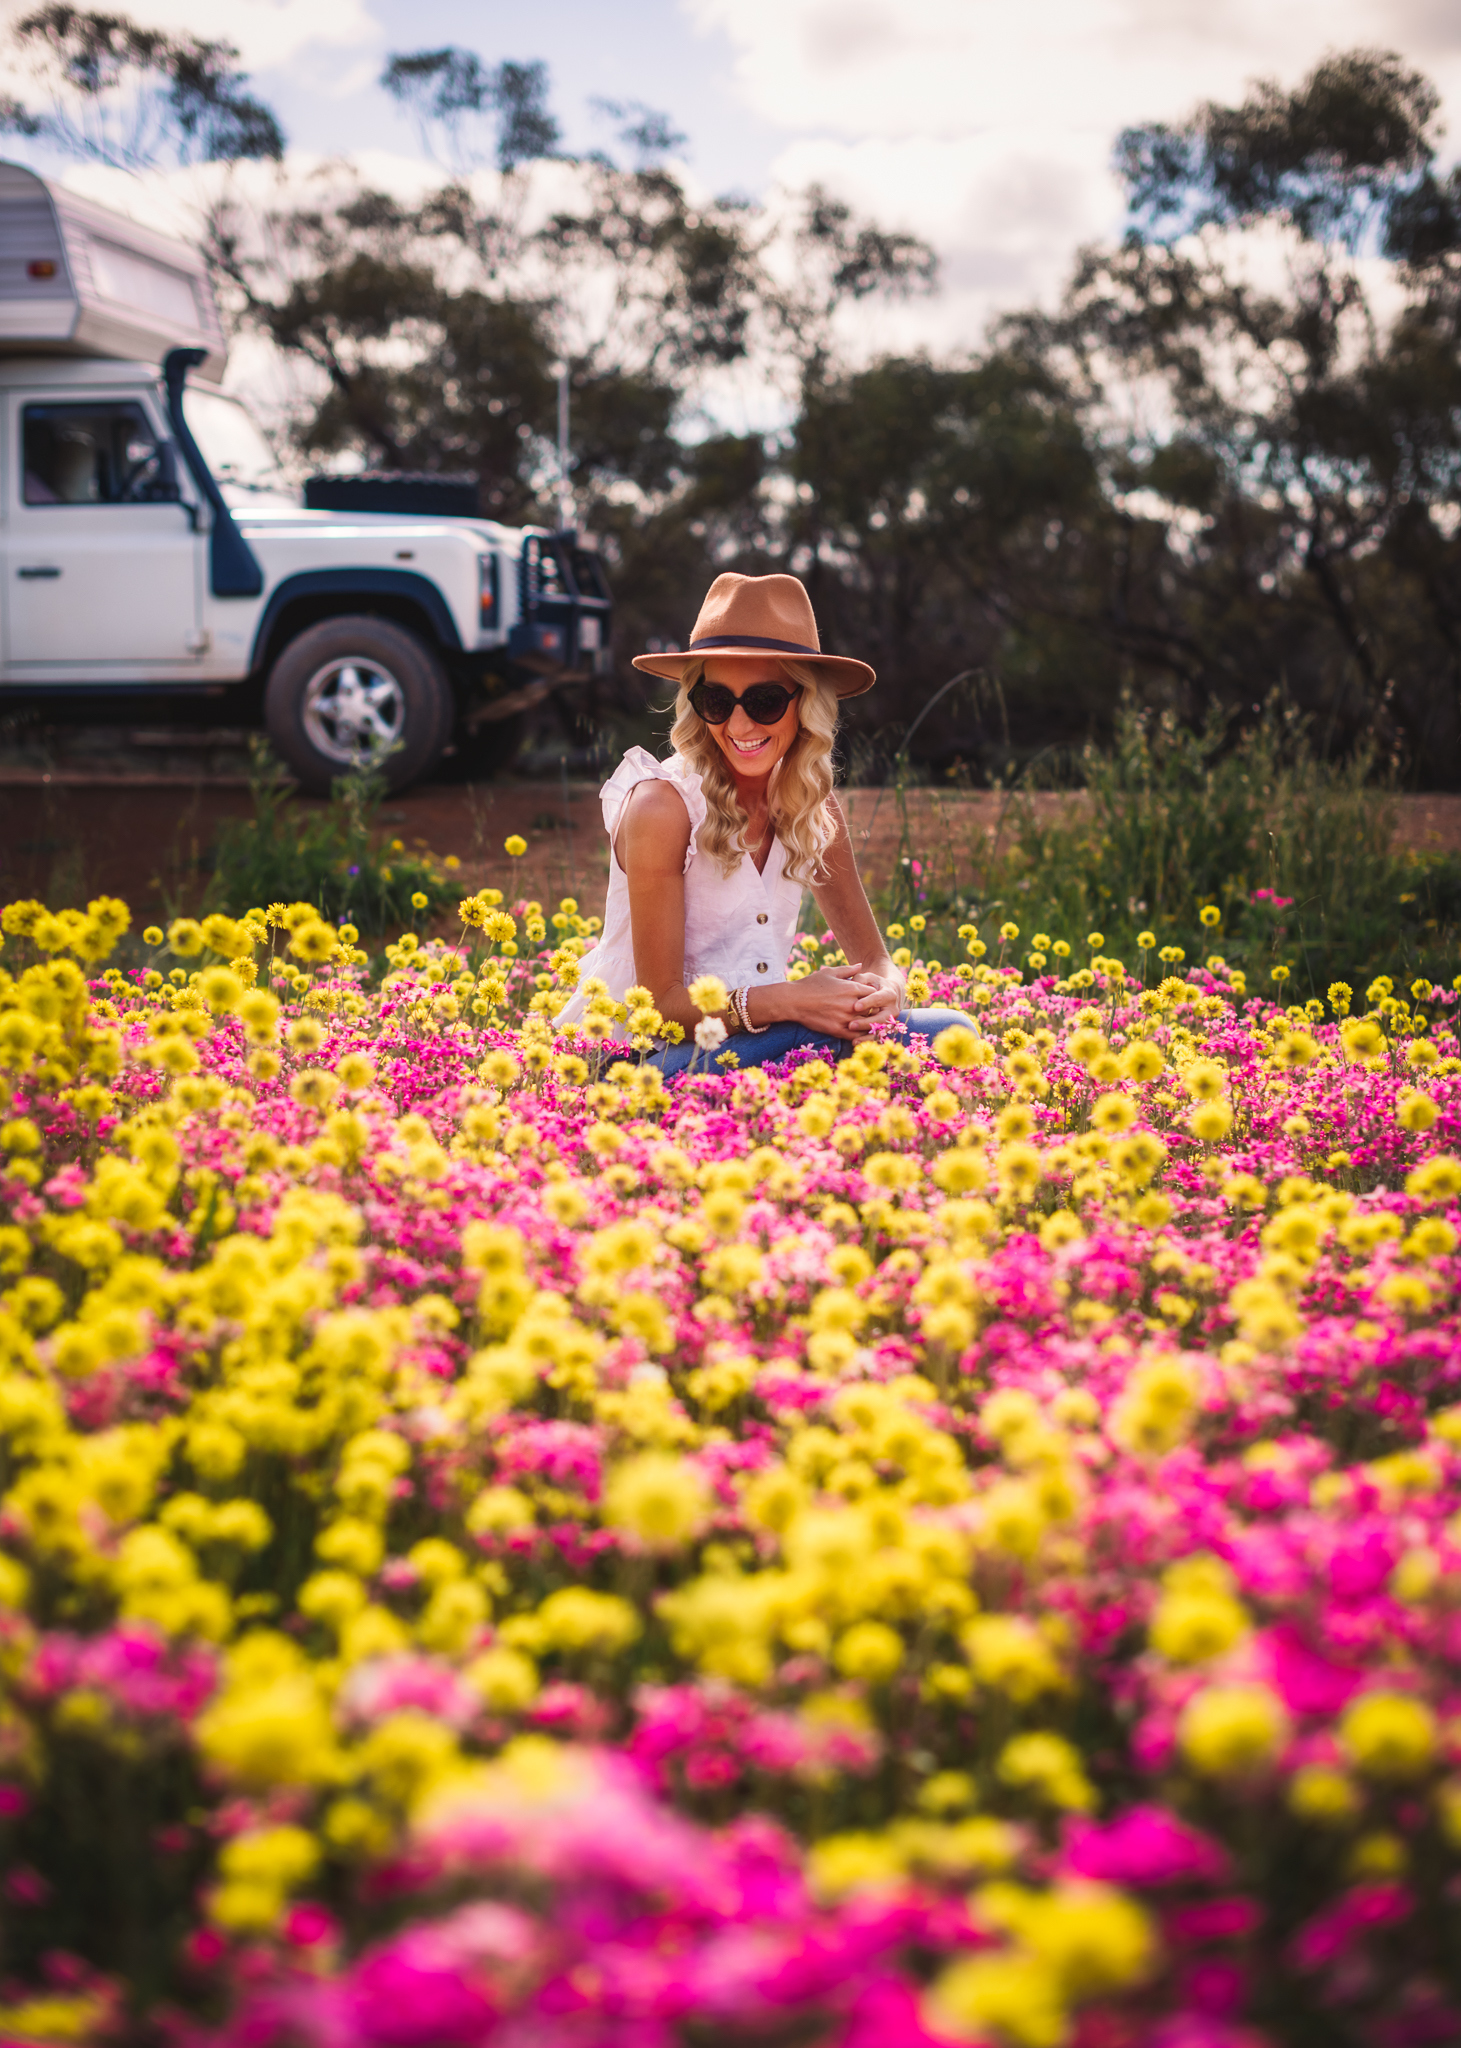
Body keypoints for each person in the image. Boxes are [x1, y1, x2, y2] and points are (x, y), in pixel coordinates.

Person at [556, 571, 970, 1075]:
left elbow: (876, 960)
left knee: (953, 1033)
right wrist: (794, 1003)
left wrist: (884, 994)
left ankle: (798, 1076)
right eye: (716, 701)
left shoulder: (813, 806)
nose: (738, 725)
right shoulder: (661, 807)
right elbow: (658, 1008)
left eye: (765, 701)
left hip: (764, 1041)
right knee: (805, 1037)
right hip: (640, 1061)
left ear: (805, 702)